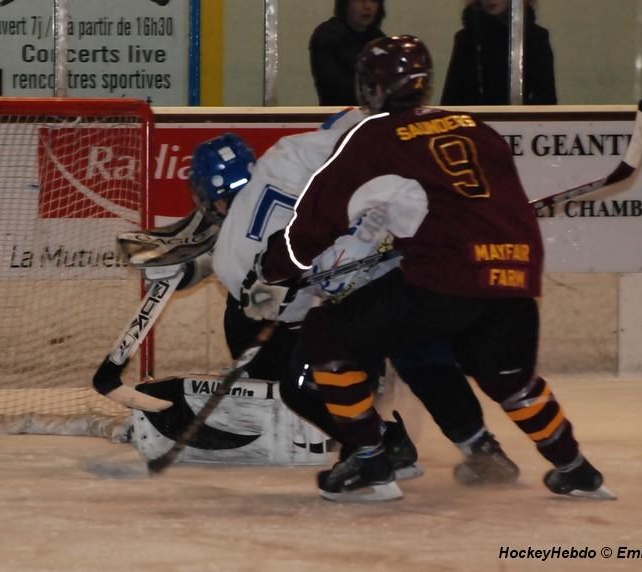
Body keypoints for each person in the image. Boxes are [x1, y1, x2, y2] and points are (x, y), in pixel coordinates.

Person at [245, 34, 613, 502]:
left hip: (445, 277)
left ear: (374, 87)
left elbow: (319, 217)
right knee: (509, 378)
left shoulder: (375, 137)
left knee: (327, 337)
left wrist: (277, 265)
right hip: (515, 275)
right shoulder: (476, 127)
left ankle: (368, 461)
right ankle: (575, 467)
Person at [136, 123, 518, 484]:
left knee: (299, 380)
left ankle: (380, 445)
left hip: (347, 315)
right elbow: (363, 145)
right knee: (418, 351)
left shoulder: (231, 257)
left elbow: (280, 314)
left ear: (212, 199)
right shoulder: (289, 153)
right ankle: (481, 448)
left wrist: (303, 284)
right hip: (395, 279)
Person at [441, 0, 557, 105]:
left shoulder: (535, 38)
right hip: (475, 126)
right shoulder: (466, 39)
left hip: (523, 126)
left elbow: (546, 102)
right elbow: (451, 100)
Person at [309, 0, 386, 106]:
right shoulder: (327, 36)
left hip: (374, 115)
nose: (367, 6)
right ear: (345, 4)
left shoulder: (379, 39)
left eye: (373, 1)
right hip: (337, 115)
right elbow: (333, 88)